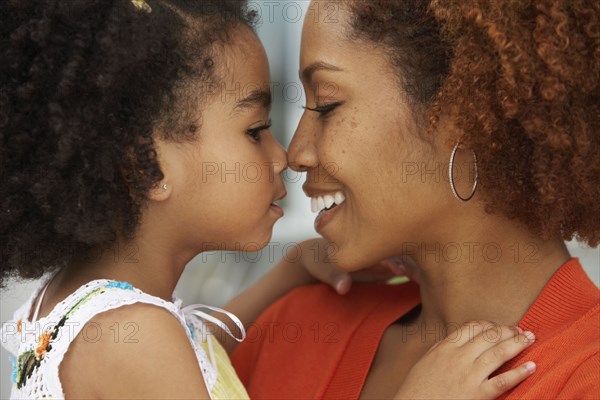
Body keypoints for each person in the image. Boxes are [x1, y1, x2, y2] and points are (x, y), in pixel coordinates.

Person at [0, 0, 537, 399]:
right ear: (149, 165)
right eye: (256, 130)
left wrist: (289, 273)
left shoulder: (90, 313)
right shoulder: (136, 339)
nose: (285, 155)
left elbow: (198, 352)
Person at [231, 0, 600, 399]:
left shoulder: (585, 378)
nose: (297, 153)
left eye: (326, 105)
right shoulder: (296, 325)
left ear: (461, 113)